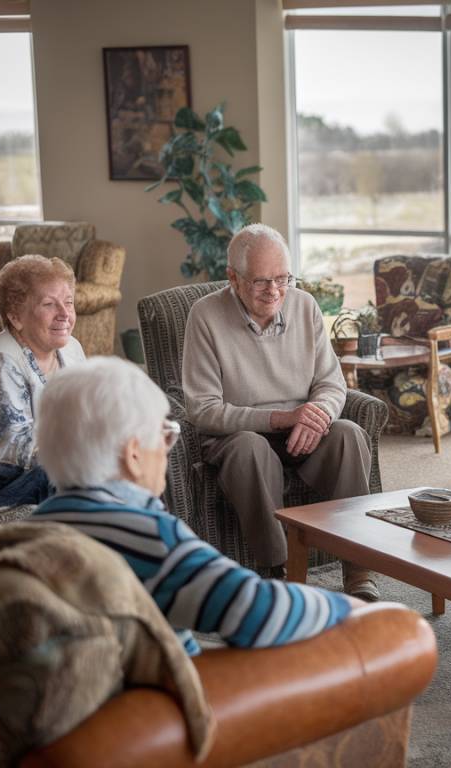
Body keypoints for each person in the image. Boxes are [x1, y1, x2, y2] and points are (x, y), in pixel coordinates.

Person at [29, 357, 357, 654]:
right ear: (133, 455)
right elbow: (260, 614)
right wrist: (351, 610)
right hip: (160, 705)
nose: (167, 448)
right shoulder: (154, 537)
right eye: (164, 433)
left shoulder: (34, 528)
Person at [182, 223, 377, 599]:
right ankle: (279, 571)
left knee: (348, 434)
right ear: (233, 278)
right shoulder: (204, 316)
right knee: (250, 449)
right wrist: (279, 418)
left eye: (283, 278)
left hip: (302, 433)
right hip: (239, 438)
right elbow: (202, 409)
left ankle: (358, 568)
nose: (274, 291)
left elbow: (332, 383)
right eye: (260, 282)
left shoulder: (305, 306)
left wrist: (317, 413)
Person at [0, 255, 85, 506]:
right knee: (59, 475)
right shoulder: (2, 356)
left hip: (49, 459)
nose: (64, 313)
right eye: (48, 304)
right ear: (16, 317)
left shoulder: (72, 348)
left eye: (68, 302)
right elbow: (13, 447)